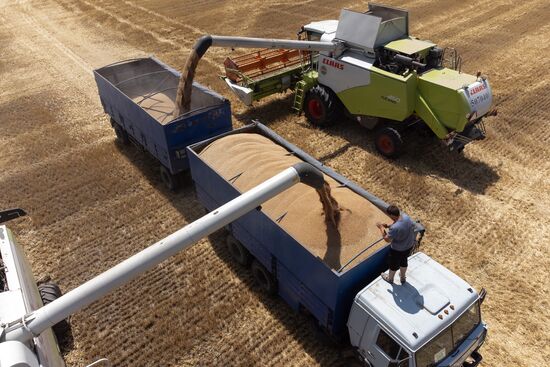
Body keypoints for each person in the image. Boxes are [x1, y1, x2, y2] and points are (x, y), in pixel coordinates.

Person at [376, 205, 416, 284]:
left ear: (392, 215)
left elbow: (387, 239)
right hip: (409, 246)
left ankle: (390, 279)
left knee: (393, 264)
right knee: (404, 261)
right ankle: (402, 277)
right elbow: (398, 223)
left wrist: (381, 228)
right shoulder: (405, 217)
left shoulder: (394, 228)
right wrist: (388, 226)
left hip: (397, 250)